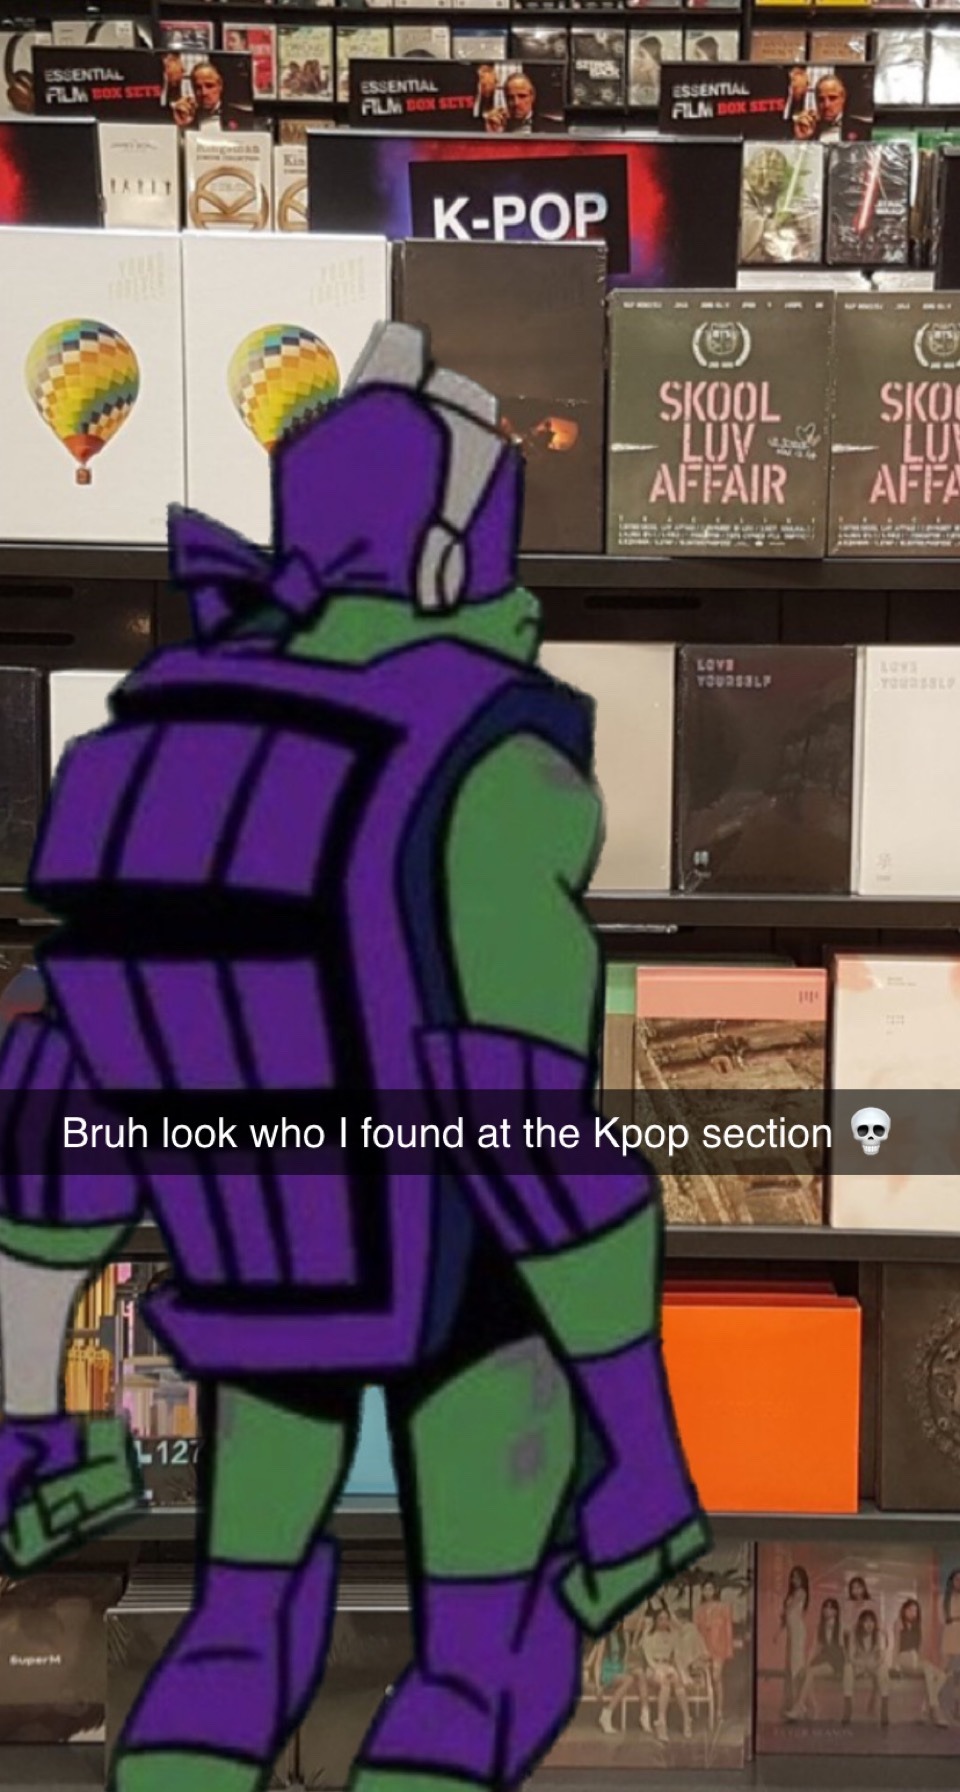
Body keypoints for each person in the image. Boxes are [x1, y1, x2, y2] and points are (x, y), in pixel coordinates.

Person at [0, 322, 707, 1792]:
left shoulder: (142, 748)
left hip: (260, 1290)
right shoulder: (496, 764)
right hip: (469, 1305)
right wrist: (640, 1448)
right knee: (479, 1667)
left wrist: (33, 1417)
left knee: (234, 1636)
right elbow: (526, 1129)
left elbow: (50, 1105)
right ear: (450, 562)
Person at [891, 1597, 948, 1726]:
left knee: (942, 1675)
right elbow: (896, 1645)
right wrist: (895, 1666)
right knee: (928, 1669)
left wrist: (921, 1660)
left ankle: (925, 1707)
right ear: (904, 1610)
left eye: (915, 1611)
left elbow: (920, 1648)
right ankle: (935, 1710)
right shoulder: (899, 1623)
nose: (913, 1613)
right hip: (904, 1658)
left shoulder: (918, 1627)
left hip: (915, 1659)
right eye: (910, 1610)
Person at [786, 1597, 844, 1721]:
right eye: (825, 1607)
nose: (827, 1610)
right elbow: (814, 1647)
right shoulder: (820, 1626)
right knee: (804, 1673)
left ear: (836, 1611)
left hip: (836, 1660)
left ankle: (799, 1706)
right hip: (824, 1658)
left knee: (810, 1672)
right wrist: (807, 1664)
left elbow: (842, 1646)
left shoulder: (840, 1626)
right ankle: (815, 1706)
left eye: (831, 1608)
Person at [643, 1606, 693, 1743]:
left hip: (667, 1666)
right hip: (653, 1668)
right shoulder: (648, 1636)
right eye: (660, 1619)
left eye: (666, 1619)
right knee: (665, 1682)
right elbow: (648, 1658)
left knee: (677, 1681)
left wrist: (681, 1673)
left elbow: (676, 1657)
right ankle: (661, 1723)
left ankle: (687, 1719)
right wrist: (658, 1669)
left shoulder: (672, 1636)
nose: (663, 1622)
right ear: (655, 1620)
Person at [694, 1575, 733, 1724]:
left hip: (719, 1647)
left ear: (715, 1590)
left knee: (716, 1677)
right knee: (704, 1678)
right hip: (703, 1648)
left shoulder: (723, 1607)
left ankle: (719, 1711)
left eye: (710, 1588)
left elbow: (728, 1629)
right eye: (705, 1589)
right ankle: (705, 1710)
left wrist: (728, 1649)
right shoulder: (699, 1610)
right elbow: (695, 1632)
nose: (708, 1591)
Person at [843, 1609, 890, 1727]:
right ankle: (848, 1706)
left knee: (883, 1669)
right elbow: (850, 1656)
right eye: (866, 1621)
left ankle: (884, 1709)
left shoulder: (878, 1635)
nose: (869, 1624)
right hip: (859, 1665)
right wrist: (861, 1664)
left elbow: (882, 1656)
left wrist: (873, 1664)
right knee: (847, 1668)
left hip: (874, 1664)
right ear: (861, 1623)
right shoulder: (854, 1634)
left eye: (872, 1621)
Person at [174, 59, 248, 132]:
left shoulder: (243, 118)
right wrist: (182, 125)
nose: (204, 93)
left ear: (220, 86)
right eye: (198, 87)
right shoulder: (188, 119)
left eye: (209, 86)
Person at [779, 1564, 810, 1713]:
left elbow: (789, 1611)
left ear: (802, 1579)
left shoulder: (801, 1592)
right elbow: (786, 1616)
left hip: (798, 1631)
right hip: (791, 1631)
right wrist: (779, 1632)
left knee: (796, 1665)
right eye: (792, 1577)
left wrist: (784, 1612)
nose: (794, 1580)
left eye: (797, 1577)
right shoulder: (792, 1594)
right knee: (790, 1666)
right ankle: (794, 1701)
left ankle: (799, 1703)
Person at [793, 74, 852, 144]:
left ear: (843, 98)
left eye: (832, 98)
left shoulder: (859, 128)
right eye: (821, 100)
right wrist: (800, 140)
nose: (826, 105)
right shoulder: (810, 129)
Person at [941, 1569, 960, 1720]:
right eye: (957, 1579)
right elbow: (945, 1619)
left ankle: (957, 1707)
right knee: (948, 1673)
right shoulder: (946, 1599)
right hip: (950, 1636)